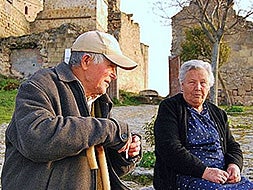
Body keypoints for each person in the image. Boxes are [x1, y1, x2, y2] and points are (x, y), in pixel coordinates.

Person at [1, 30, 142, 190]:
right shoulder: (40, 85)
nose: (114, 75)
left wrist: (125, 153)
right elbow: (36, 139)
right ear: (86, 61)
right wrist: (108, 128)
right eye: (111, 66)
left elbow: (105, 168)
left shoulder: (99, 102)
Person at [153, 59, 253, 190]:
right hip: (187, 175)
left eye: (203, 83)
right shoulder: (170, 108)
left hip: (221, 175)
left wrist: (234, 165)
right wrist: (205, 172)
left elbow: (232, 146)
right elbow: (169, 148)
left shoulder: (217, 113)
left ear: (209, 86)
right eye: (192, 82)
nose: (198, 88)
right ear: (182, 84)